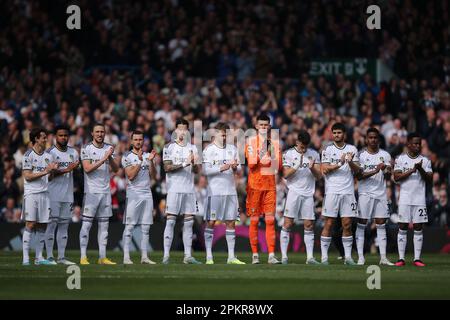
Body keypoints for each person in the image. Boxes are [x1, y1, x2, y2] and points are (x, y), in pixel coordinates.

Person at [202, 122, 245, 264]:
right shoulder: (208, 150)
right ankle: (209, 256)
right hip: (214, 192)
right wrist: (223, 167)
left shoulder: (232, 149)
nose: (225, 136)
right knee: (211, 222)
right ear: (215, 134)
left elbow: (238, 169)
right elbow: (206, 171)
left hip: (230, 191)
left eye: (226, 134)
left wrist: (234, 167)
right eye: (222, 134)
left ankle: (231, 257)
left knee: (231, 222)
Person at [162, 118, 202, 264]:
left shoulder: (193, 148)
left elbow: (197, 170)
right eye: (179, 129)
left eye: (185, 129)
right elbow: (167, 168)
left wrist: (194, 162)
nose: (182, 132)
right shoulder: (169, 148)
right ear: (175, 131)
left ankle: (187, 256)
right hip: (174, 189)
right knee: (171, 222)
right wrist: (186, 162)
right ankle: (166, 255)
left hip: (189, 190)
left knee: (189, 223)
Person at [320, 122, 361, 265]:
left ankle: (348, 257)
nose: (337, 135)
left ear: (344, 134)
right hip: (332, 191)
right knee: (329, 223)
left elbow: (358, 171)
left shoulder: (352, 149)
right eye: (335, 133)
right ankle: (324, 258)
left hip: (348, 191)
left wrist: (350, 162)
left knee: (347, 224)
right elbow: (324, 169)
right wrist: (340, 162)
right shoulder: (327, 150)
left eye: (339, 133)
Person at [79, 123, 120, 265]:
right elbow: (87, 168)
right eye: (97, 132)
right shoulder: (86, 148)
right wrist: (104, 158)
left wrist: (110, 158)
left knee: (104, 226)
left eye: (102, 132)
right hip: (91, 192)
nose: (100, 134)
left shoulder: (109, 148)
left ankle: (102, 257)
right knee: (87, 225)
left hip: (105, 191)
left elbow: (116, 169)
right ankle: (83, 257)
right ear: (92, 133)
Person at [245, 113, 282, 264]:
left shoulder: (274, 143)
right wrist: (261, 154)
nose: (263, 127)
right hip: (254, 186)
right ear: (256, 126)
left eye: (266, 125)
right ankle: (255, 255)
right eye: (261, 125)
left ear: (269, 126)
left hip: (269, 187)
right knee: (254, 221)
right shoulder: (250, 142)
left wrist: (271, 157)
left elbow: (278, 166)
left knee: (270, 221)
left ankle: (271, 255)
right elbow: (251, 164)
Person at [280, 130, 321, 264]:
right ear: (297, 142)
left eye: (306, 146)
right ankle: (284, 256)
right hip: (294, 192)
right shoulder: (289, 154)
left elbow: (319, 176)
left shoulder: (314, 154)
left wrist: (312, 168)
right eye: (302, 146)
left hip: (308, 193)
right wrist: (297, 165)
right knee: (288, 223)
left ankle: (309, 258)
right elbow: (285, 174)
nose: (304, 149)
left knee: (309, 225)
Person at [355, 127, 395, 266]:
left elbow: (389, 175)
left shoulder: (385, 155)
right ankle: (361, 257)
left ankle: (383, 258)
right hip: (365, 193)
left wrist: (387, 170)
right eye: (370, 137)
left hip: (380, 193)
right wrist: (375, 170)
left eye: (375, 137)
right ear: (366, 139)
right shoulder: (360, 155)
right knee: (361, 224)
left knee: (381, 225)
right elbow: (359, 176)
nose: (372, 140)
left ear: (378, 139)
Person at [393, 132, 433, 267]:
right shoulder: (400, 159)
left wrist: (420, 168)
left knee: (418, 227)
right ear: (408, 144)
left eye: (419, 144)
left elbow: (429, 179)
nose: (417, 146)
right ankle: (401, 258)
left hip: (419, 199)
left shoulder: (426, 160)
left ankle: (417, 259)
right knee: (402, 226)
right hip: (405, 198)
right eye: (414, 143)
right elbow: (396, 177)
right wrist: (412, 170)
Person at [21, 127, 58, 265]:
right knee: (30, 224)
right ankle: (25, 259)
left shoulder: (49, 156)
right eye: (43, 137)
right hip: (32, 194)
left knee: (43, 225)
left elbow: (51, 178)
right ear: (36, 139)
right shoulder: (28, 155)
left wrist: (53, 171)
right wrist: (46, 171)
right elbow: (28, 176)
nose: (46, 139)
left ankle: (39, 258)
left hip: (45, 193)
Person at [45, 124, 79, 265]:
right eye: (61, 135)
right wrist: (67, 169)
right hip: (52, 194)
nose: (63, 138)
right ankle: (49, 256)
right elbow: (49, 175)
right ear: (55, 136)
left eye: (65, 135)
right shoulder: (49, 153)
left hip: (67, 195)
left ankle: (61, 257)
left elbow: (75, 170)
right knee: (52, 225)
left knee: (64, 225)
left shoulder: (74, 152)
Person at [121, 130, 157, 264]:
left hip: (147, 194)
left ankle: (144, 257)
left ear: (143, 141)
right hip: (133, 194)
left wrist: (151, 162)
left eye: (140, 139)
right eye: (135, 139)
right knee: (130, 226)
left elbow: (154, 177)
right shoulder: (127, 156)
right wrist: (140, 161)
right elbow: (130, 176)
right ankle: (126, 257)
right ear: (131, 141)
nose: (138, 142)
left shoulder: (148, 156)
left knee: (146, 227)